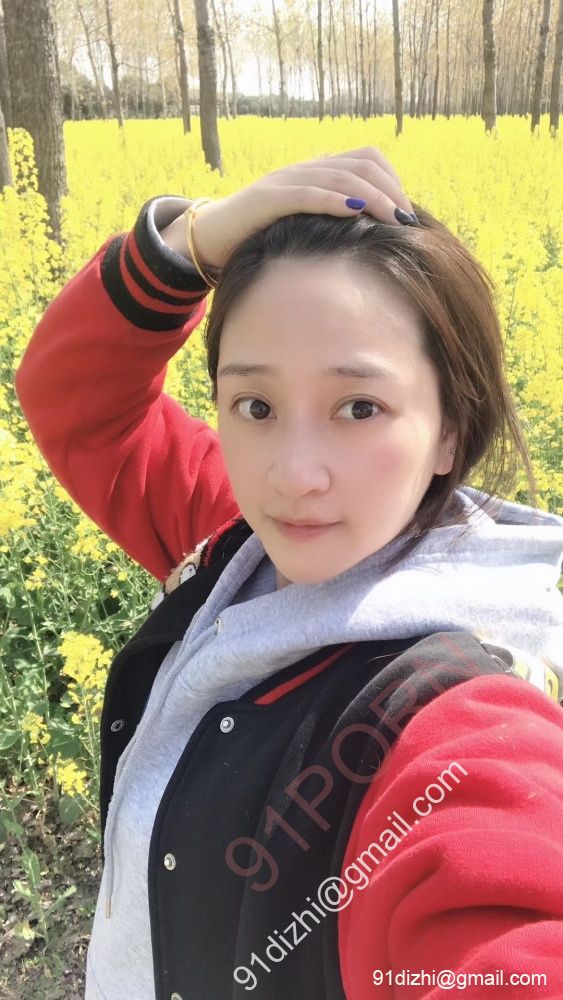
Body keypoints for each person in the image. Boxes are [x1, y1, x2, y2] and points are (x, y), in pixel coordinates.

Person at [15, 147, 563, 1000]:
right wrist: (192, 241)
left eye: (358, 408)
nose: (293, 475)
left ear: (449, 432)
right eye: (256, 406)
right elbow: (77, 398)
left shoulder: (459, 714)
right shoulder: (241, 545)